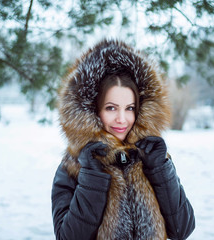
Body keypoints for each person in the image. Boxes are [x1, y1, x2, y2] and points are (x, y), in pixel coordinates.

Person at [52, 39, 195, 240]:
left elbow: (182, 229)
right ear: (94, 110)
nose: (122, 119)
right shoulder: (74, 165)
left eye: (129, 108)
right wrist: (91, 177)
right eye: (111, 108)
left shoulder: (151, 156)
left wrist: (160, 169)